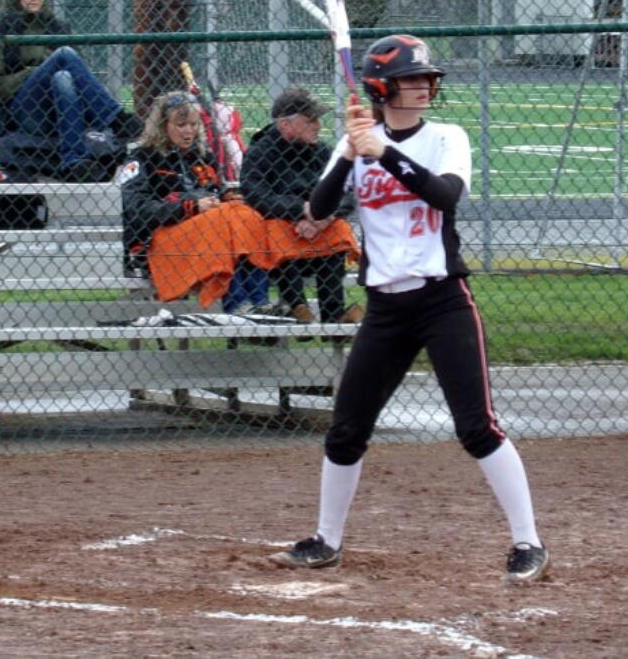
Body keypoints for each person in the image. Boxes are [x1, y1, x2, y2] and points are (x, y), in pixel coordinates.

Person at [269, 35, 549, 584]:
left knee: (477, 427)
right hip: (384, 309)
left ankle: (528, 541)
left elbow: (445, 197)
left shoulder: (446, 137)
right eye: (410, 79)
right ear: (381, 87)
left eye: (425, 78)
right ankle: (326, 540)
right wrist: (351, 152)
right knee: (346, 429)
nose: (424, 86)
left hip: (442, 300)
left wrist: (383, 153)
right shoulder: (357, 144)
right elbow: (319, 211)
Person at [120, 92, 356, 308]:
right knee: (231, 218)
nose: (188, 131)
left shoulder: (203, 157)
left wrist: (225, 196)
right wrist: (189, 206)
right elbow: (136, 208)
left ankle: (257, 304)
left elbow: (216, 191)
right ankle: (240, 306)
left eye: (193, 124)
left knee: (244, 214)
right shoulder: (142, 158)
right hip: (161, 239)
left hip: (208, 233)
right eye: (180, 125)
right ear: (162, 127)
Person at [0, 0, 141, 181]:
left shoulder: (57, 27)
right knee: (63, 55)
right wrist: (35, 71)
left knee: (63, 75)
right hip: (25, 112)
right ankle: (116, 118)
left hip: (60, 110)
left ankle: (73, 161)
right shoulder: (2, 28)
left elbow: (78, 78)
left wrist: (49, 67)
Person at [240, 87, 364, 325]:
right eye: (310, 120)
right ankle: (296, 306)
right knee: (276, 230)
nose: (318, 125)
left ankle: (333, 312)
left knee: (338, 230)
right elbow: (256, 195)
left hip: (320, 227)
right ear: (285, 125)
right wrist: (300, 210)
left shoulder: (322, 152)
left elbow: (349, 191)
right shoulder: (260, 152)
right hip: (286, 230)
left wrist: (322, 218)